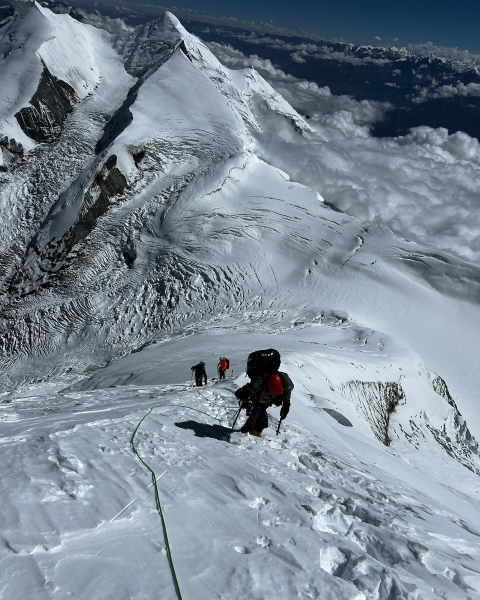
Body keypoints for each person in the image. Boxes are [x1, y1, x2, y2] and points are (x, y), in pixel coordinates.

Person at [235, 349, 293, 437]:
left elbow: (249, 390)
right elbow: (287, 391)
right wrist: (286, 405)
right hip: (267, 401)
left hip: (259, 402)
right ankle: (248, 429)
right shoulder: (283, 377)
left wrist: (240, 393)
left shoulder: (259, 378)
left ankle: (254, 434)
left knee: (259, 414)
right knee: (257, 412)